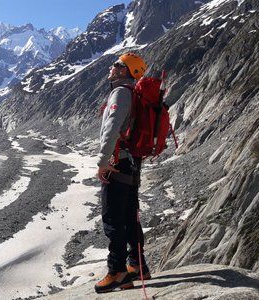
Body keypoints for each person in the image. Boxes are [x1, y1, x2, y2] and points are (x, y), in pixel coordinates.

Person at [94, 53, 151, 293]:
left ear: (125, 70)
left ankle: (117, 272)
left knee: (113, 219)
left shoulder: (121, 93)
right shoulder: (132, 92)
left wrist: (102, 161)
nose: (111, 66)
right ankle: (138, 266)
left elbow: (112, 128)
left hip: (117, 163)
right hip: (131, 164)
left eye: (117, 64)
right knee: (129, 215)